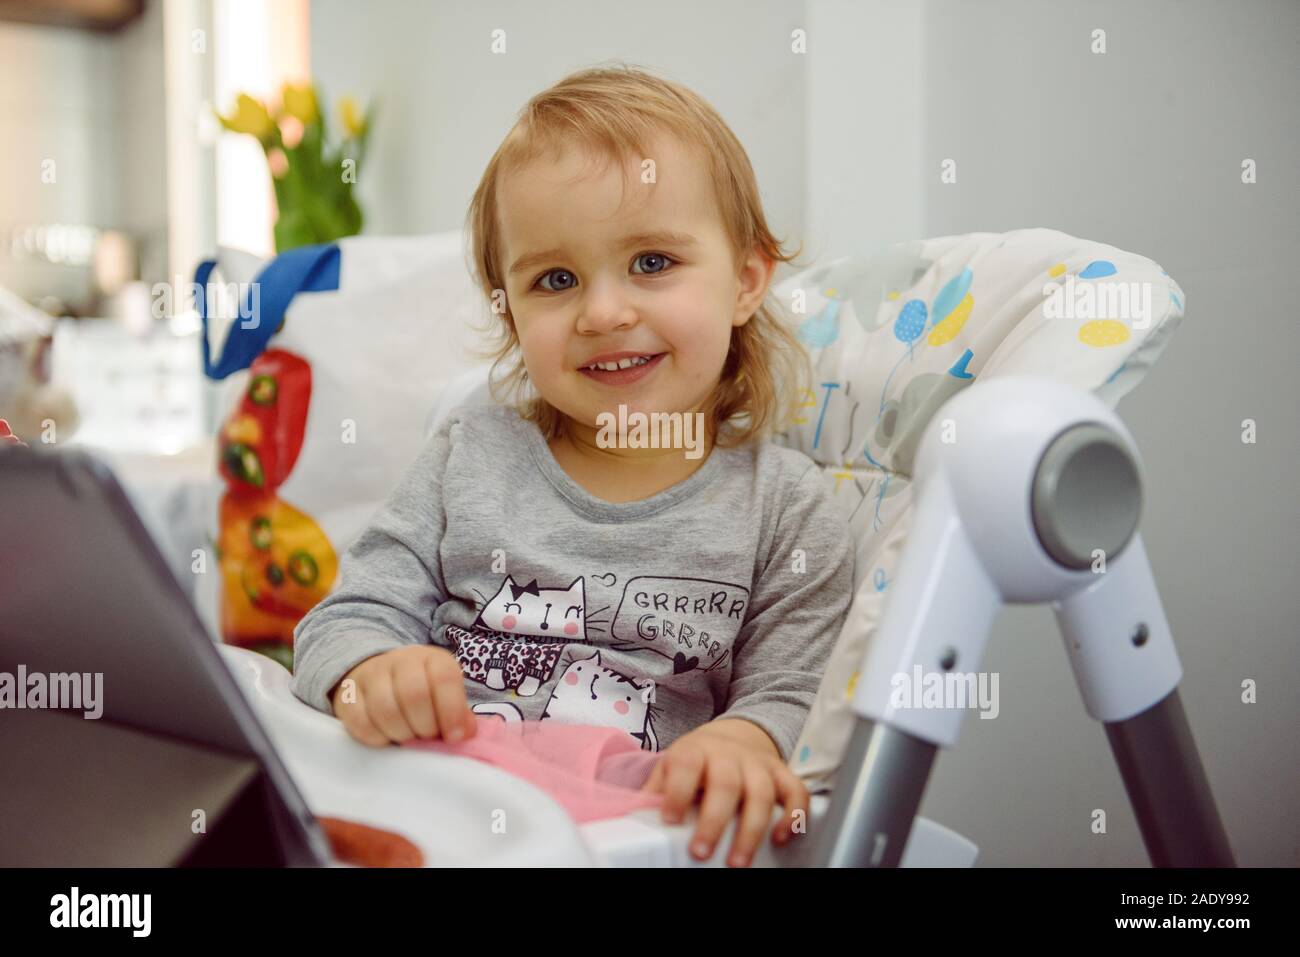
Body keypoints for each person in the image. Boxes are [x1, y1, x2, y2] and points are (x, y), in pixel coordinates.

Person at [291, 65, 854, 867]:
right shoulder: (469, 455)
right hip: (434, 814)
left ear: (747, 280)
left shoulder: (786, 510)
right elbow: (339, 623)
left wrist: (744, 738)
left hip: (616, 838)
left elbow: (800, 696)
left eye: (653, 262)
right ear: (509, 310)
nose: (602, 312)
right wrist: (371, 671)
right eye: (555, 279)